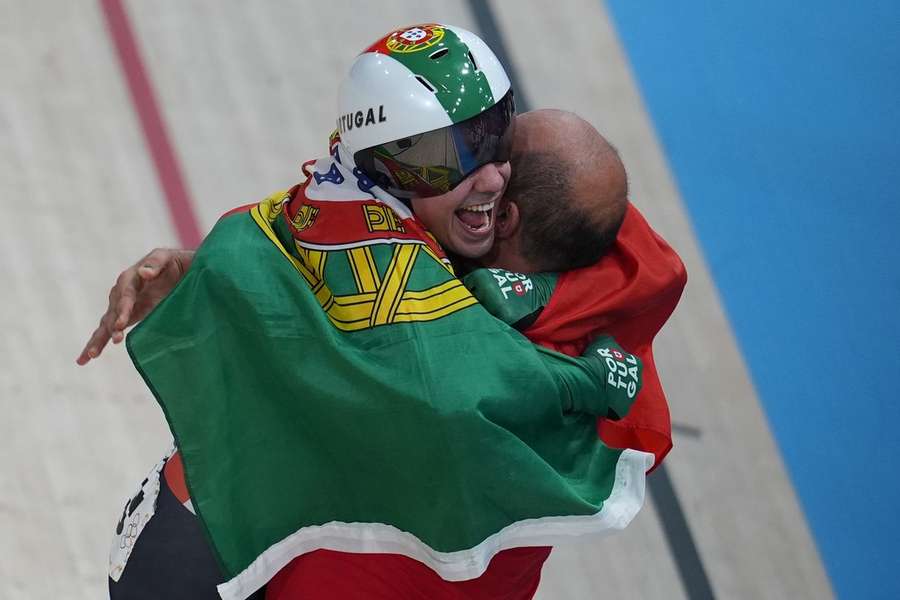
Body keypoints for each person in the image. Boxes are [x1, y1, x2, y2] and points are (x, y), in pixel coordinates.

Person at [83, 24, 665, 600]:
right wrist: (208, 273)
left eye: (496, 142)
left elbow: (420, 373)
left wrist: (225, 275)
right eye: (457, 152)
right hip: (230, 545)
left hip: (234, 535)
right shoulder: (597, 273)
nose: (490, 173)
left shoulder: (419, 282)